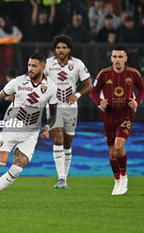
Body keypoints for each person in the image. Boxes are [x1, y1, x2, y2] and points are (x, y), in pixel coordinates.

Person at [0, 53, 58, 206]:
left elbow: (54, 112)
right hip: (12, 128)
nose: (30, 68)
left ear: (43, 67)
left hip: (31, 133)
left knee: (17, 168)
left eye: (34, 66)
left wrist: (48, 127)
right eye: (29, 65)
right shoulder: (18, 82)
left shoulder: (51, 86)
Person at [90, 46, 144, 195]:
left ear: (126, 58)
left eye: (120, 57)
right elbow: (93, 91)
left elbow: (142, 88)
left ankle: (124, 177)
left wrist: (137, 101)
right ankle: (117, 180)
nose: (117, 60)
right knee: (112, 153)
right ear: (111, 58)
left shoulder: (133, 73)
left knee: (119, 147)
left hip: (126, 114)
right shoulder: (104, 74)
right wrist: (99, 102)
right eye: (115, 57)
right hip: (108, 115)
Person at [44, 34, 92, 189]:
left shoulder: (77, 64)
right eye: (58, 47)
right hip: (53, 106)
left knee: (67, 142)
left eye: (64, 47)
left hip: (71, 108)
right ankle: (61, 178)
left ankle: (65, 178)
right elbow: (38, 81)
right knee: (57, 139)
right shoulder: (47, 64)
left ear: (69, 49)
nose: (61, 50)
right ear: (55, 49)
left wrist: (77, 95)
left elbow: (88, 84)